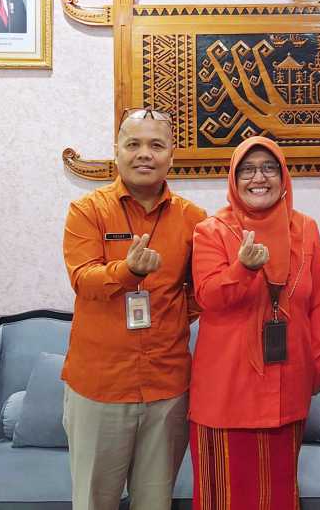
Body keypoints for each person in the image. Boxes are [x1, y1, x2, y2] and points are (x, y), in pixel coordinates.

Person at [60, 108, 207, 510]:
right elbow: (83, 279)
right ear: (117, 151)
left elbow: (200, 292)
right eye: (134, 144)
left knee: (156, 502)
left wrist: (171, 316)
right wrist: (128, 272)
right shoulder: (87, 210)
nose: (145, 153)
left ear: (171, 155)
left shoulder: (193, 219)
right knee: (93, 502)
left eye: (156, 145)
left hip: (166, 388)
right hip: (99, 387)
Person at [189, 136, 320, 510]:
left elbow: (319, 301)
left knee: (277, 495)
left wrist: (318, 366)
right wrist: (243, 268)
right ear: (233, 180)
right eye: (248, 170)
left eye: (269, 168)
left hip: (288, 382)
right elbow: (209, 297)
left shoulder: (306, 228)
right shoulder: (211, 230)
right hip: (226, 390)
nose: (259, 178)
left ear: (283, 177)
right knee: (224, 497)